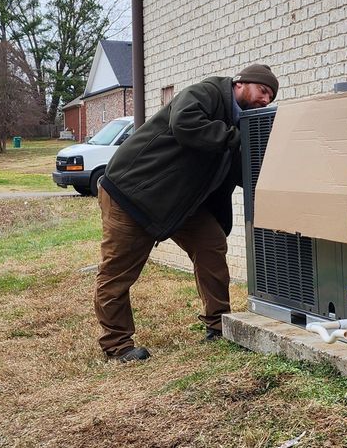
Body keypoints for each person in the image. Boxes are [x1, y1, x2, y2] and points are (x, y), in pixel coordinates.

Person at [93, 64, 279, 362]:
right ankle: (117, 345)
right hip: (133, 194)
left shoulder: (237, 128)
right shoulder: (206, 93)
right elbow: (185, 124)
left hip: (180, 203)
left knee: (211, 245)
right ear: (241, 83)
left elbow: (242, 175)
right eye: (263, 91)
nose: (265, 100)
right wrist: (238, 138)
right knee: (118, 274)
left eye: (271, 96)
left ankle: (218, 324)